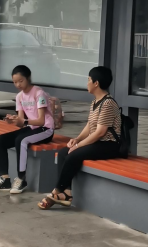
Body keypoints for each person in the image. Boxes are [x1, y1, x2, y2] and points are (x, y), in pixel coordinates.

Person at [38, 66, 121, 210]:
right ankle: (67, 193)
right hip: (98, 143)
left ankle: (56, 191)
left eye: (89, 80)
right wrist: (77, 140)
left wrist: (78, 146)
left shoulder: (108, 103)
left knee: (73, 154)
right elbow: (89, 126)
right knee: (63, 152)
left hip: (109, 145)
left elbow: (100, 132)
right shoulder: (96, 102)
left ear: (96, 83)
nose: (87, 83)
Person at [0, 65, 54, 195]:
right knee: (0, 140)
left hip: (45, 129)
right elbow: (21, 122)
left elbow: (41, 121)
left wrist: (24, 121)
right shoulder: (19, 97)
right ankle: (4, 179)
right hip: (31, 128)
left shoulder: (39, 93)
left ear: (28, 78)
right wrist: (13, 120)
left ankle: (21, 179)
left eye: (21, 81)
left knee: (21, 140)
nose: (18, 85)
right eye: (15, 82)